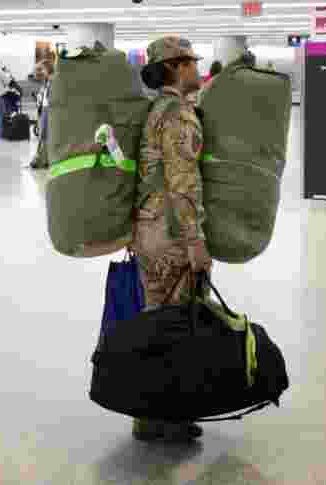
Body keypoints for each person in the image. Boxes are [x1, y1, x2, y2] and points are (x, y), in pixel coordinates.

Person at [131, 36, 211, 443]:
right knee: (179, 324)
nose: (197, 68)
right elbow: (184, 182)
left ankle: (147, 413)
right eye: (192, 62)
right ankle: (173, 415)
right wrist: (195, 241)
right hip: (172, 233)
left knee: (154, 322)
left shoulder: (155, 110)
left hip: (149, 228)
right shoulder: (178, 114)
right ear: (176, 67)